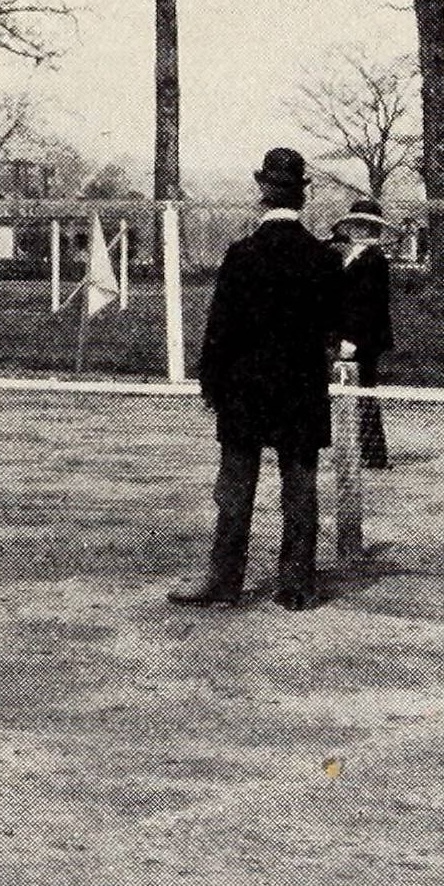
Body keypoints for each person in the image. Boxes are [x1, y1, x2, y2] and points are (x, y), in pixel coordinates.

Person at [173, 147, 345, 611]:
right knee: (300, 487)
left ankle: (224, 581)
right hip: (301, 390)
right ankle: (297, 585)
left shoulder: (242, 255)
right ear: (301, 198)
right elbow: (334, 327)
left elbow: (220, 329)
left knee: (234, 486)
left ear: (263, 194)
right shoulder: (323, 259)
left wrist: (213, 386)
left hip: (245, 390)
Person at [333, 201, 396, 471]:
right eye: (356, 223)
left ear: (374, 228)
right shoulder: (351, 255)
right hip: (350, 334)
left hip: (364, 337)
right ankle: (366, 451)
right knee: (356, 394)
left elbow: (369, 304)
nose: (360, 228)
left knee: (365, 392)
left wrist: (353, 339)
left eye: (366, 225)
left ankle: (374, 455)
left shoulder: (374, 259)